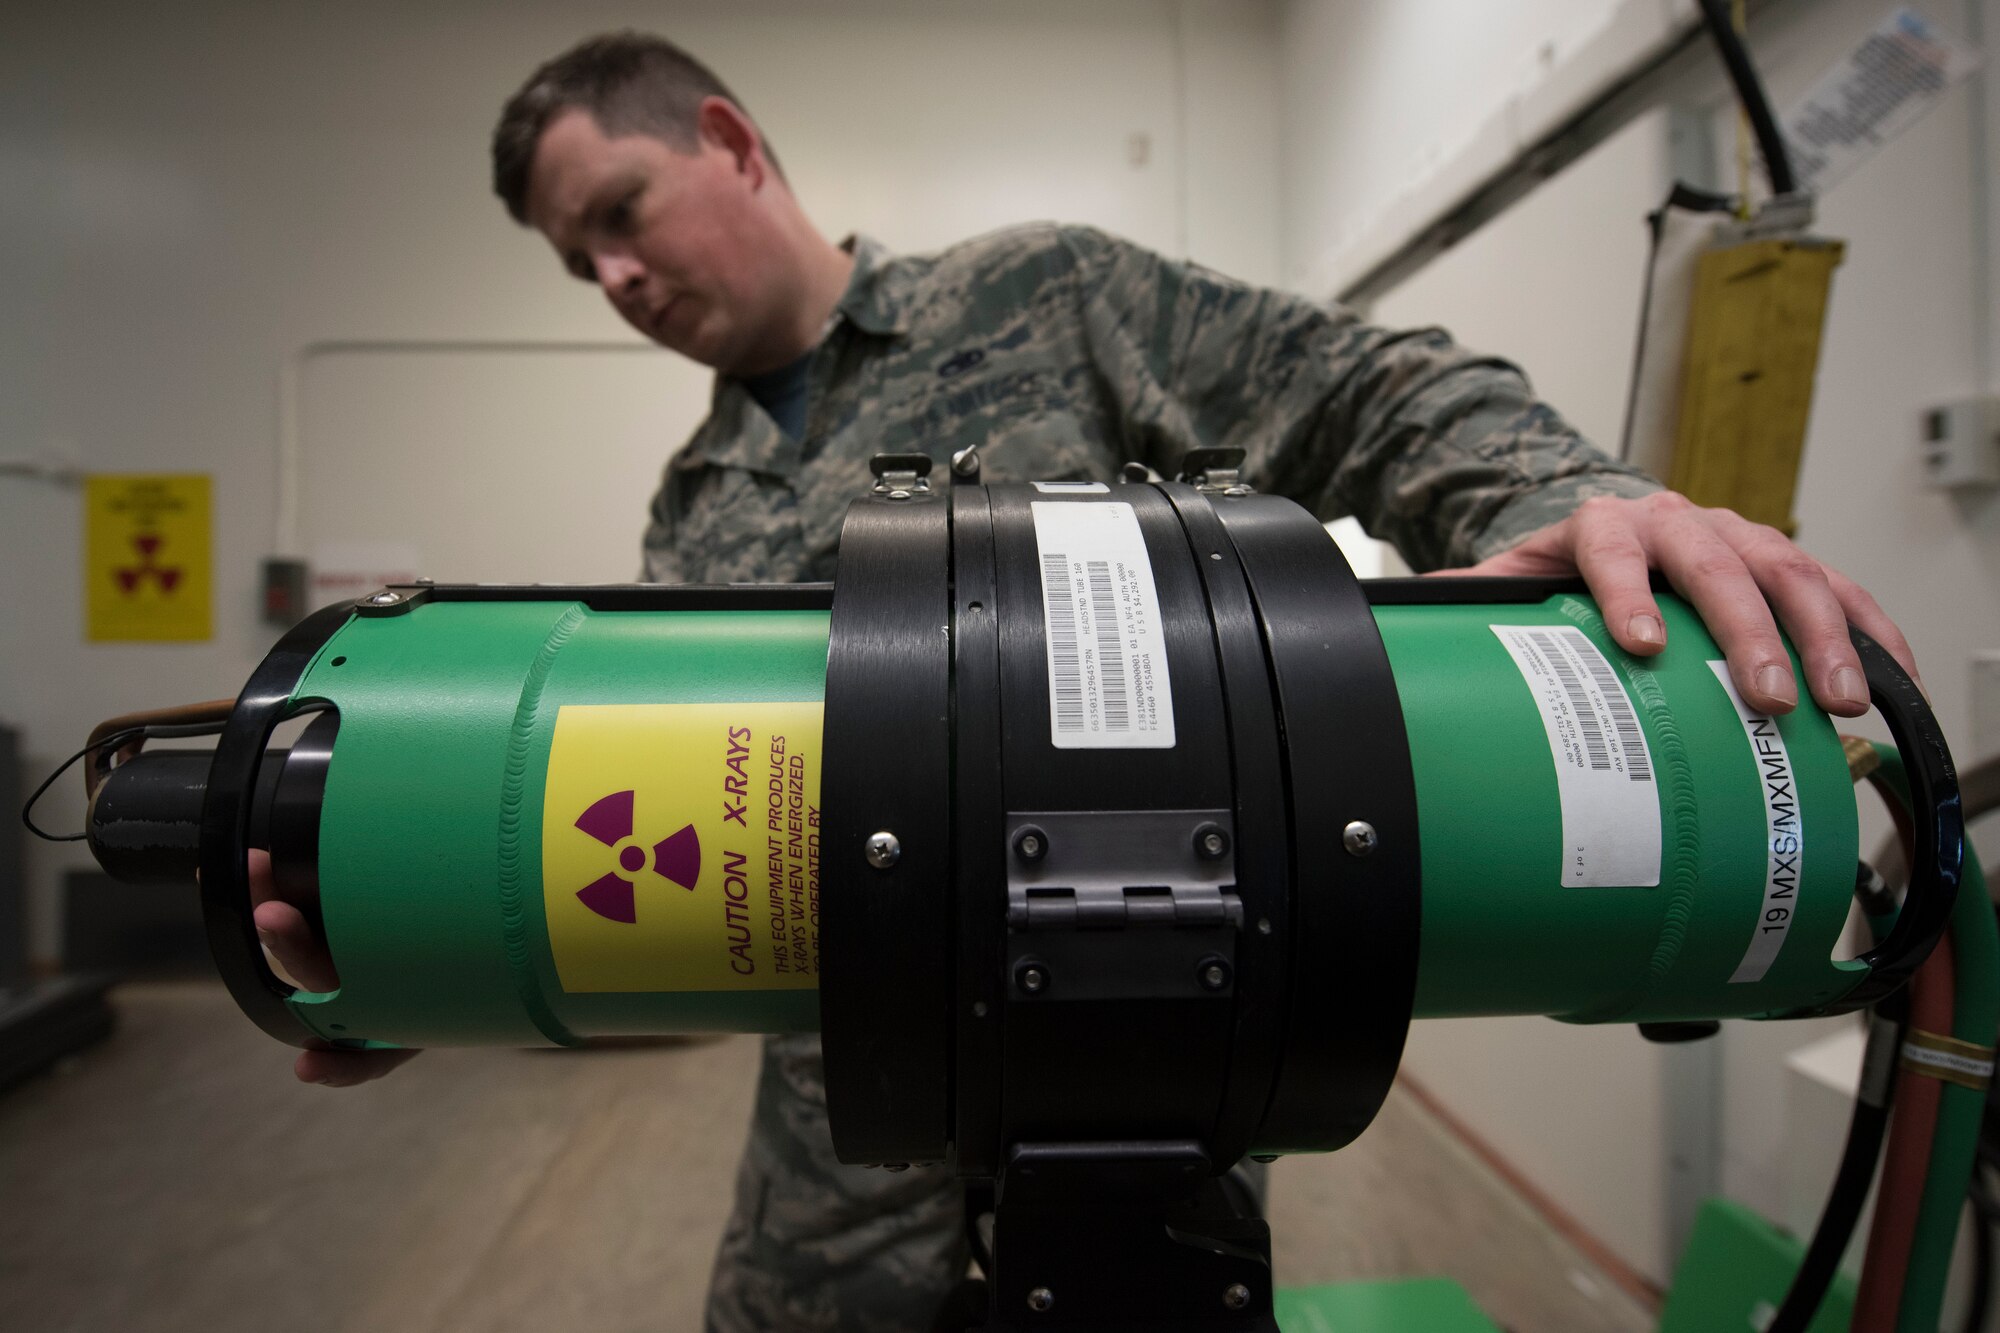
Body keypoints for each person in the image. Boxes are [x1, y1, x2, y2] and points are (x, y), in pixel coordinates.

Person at [251, 29, 1924, 1333]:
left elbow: (1373, 390)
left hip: (1141, 1100)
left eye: (616, 215)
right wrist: (447, 945)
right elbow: (660, 859)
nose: (613, 279)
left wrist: (1578, 506)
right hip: (840, 1176)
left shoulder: (1044, 297)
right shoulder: (689, 511)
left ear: (730, 144)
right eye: (576, 266)